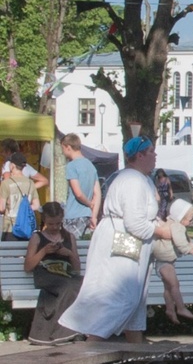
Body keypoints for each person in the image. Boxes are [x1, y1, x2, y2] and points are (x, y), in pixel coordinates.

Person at [58, 136, 172, 343]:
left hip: (128, 242)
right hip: (121, 241)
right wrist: (163, 232)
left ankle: (136, 350)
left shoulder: (141, 178)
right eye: (151, 152)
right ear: (139, 155)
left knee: (133, 300)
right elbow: (135, 224)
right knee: (120, 297)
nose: (155, 156)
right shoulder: (131, 181)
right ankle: (91, 348)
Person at [23, 202, 84, 345]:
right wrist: (44, 251)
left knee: (81, 284)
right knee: (70, 286)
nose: (55, 227)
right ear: (44, 220)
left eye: (58, 223)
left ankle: (65, 331)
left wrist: (68, 253)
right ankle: (65, 333)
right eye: (51, 224)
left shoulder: (69, 237)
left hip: (66, 275)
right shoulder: (37, 237)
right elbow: (28, 266)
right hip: (45, 275)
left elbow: (76, 268)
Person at [152, 198, 193, 324]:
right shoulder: (177, 226)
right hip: (165, 263)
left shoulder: (168, 222)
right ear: (181, 217)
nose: (191, 222)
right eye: (190, 219)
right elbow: (180, 243)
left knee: (168, 288)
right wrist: (189, 249)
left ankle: (170, 309)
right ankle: (181, 308)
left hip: (161, 262)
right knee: (175, 285)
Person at [60, 133, 101, 239]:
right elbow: (97, 193)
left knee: (70, 247)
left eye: (62, 149)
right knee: (84, 248)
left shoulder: (71, 166)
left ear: (68, 147)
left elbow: (77, 193)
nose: (63, 152)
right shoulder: (91, 166)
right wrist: (94, 216)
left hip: (73, 215)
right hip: (87, 216)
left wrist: (89, 204)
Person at [0, 152, 42, 241]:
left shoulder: (6, 183)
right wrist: (24, 209)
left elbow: (2, 208)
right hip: (26, 227)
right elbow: (36, 205)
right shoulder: (30, 183)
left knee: (10, 253)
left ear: (12, 166)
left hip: (10, 228)